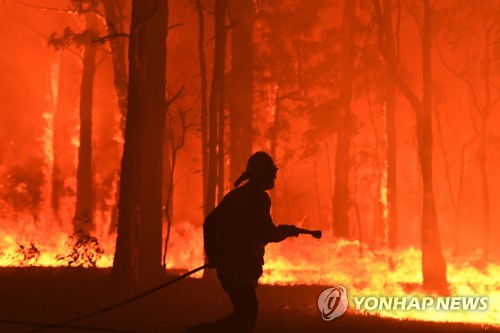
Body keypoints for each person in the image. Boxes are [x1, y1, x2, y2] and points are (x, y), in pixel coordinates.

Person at [185, 151, 301, 333]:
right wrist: (284, 232)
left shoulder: (236, 196)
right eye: (271, 172)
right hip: (240, 270)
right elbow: (266, 233)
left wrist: (213, 255)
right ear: (262, 175)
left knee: (242, 318)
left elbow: (212, 223)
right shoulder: (259, 198)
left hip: (230, 270)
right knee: (246, 319)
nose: (275, 176)